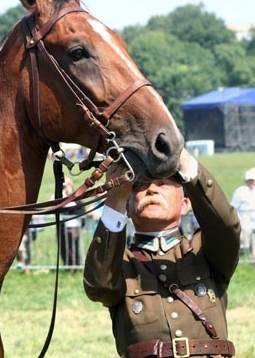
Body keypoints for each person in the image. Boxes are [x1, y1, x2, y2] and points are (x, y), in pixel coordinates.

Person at [83, 150, 240, 358]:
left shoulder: (203, 251)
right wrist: (115, 201)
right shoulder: (121, 264)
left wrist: (181, 158)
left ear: (185, 205)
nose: (151, 190)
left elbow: (226, 227)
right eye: (139, 186)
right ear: (128, 208)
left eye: (163, 183)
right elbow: (99, 287)